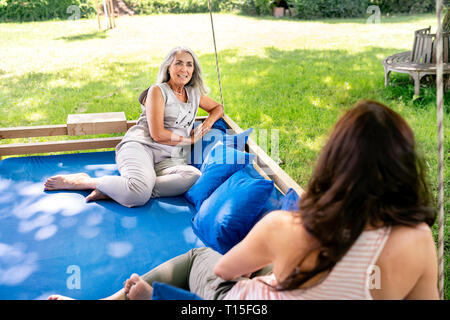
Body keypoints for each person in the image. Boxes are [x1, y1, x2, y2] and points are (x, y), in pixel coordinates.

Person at [48, 100, 439, 300]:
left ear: (331, 167)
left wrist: (270, 268)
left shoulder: (288, 228)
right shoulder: (419, 239)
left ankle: (142, 298)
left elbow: (226, 271)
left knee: (201, 259)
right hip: (157, 158)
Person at [44, 46, 224, 207]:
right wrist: (189, 139)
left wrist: (205, 126)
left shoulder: (194, 93)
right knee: (138, 196)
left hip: (168, 159)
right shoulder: (158, 91)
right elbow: (157, 135)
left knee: (193, 176)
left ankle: (121, 190)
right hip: (141, 147)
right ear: (169, 67)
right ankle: (86, 181)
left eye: (189, 64)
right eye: (178, 63)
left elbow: (218, 108)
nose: (184, 69)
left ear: (194, 70)